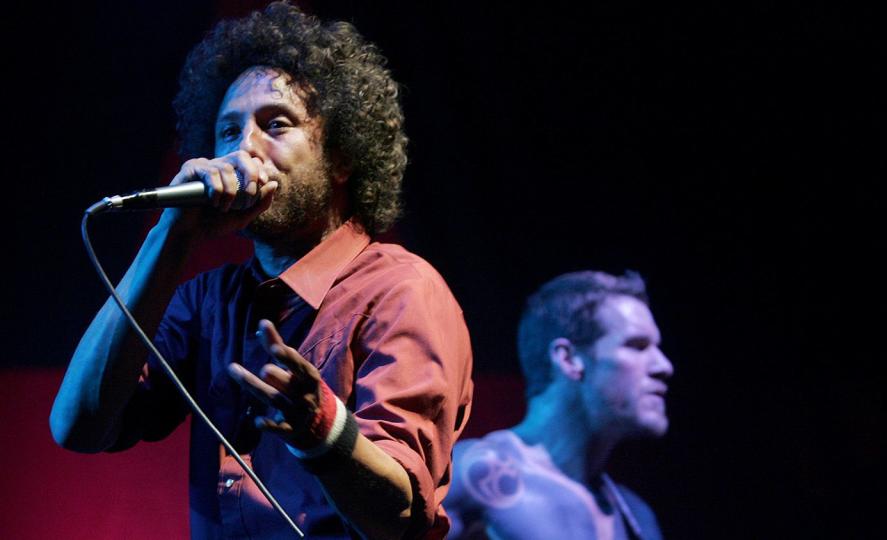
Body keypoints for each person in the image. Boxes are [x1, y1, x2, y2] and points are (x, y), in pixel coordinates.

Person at [49, 3, 473, 539]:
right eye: (227, 132)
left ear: (341, 157)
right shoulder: (207, 300)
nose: (243, 149)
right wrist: (169, 236)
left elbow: (400, 518)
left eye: (275, 124)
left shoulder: (401, 291)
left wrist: (323, 429)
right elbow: (79, 426)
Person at [445, 271, 672, 539]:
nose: (664, 366)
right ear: (568, 359)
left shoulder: (637, 515)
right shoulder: (476, 473)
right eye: (637, 345)